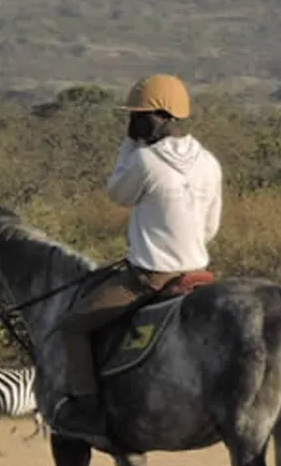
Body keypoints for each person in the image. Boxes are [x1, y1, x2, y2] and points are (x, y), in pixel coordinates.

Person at [50, 74, 222, 445]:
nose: (131, 123)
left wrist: (128, 145)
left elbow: (116, 192)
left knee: (73, 326)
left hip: (149, 277)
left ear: (162, 115)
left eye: (136, 115)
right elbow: (210, 228)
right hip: (197, 270)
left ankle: (89, 410)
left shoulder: (144, 161)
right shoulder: (209, 162)